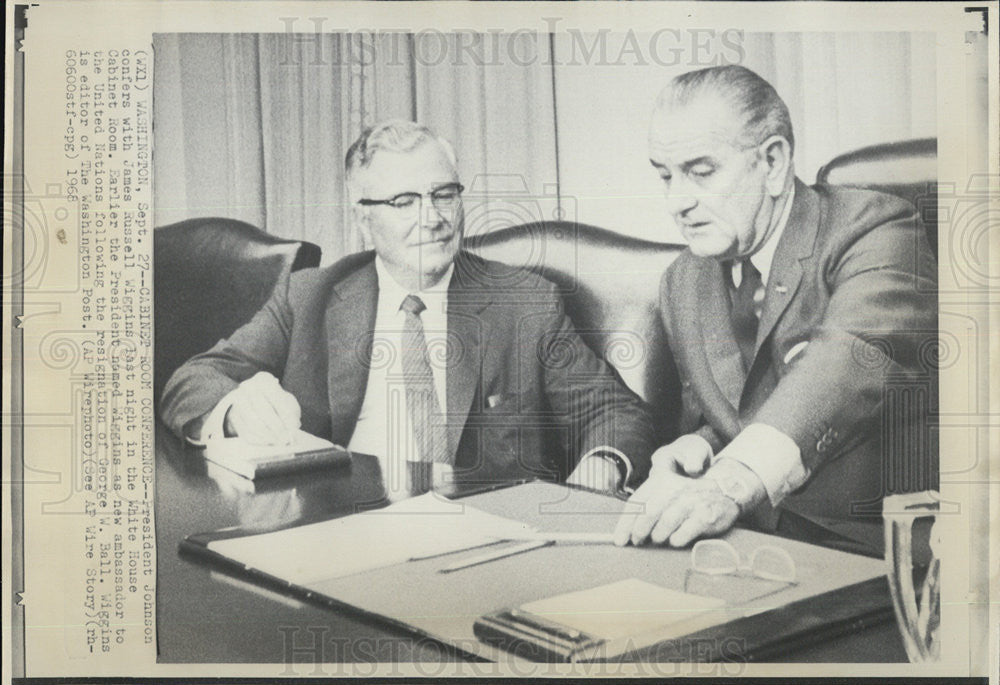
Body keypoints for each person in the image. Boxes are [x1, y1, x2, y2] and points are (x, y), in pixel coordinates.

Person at [161, 119, 655, 493]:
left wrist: (600, 469)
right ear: (363, 219)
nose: (433, 218)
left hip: (480, 539)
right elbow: (192, 380)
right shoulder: (309, 296)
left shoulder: (526, 301)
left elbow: (614, 411)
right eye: (404, 201)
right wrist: (234, 412)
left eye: (444, 194)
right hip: (338, 531)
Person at [614, 65, 937, 552]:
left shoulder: (876, 228)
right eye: (665, 176)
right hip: (741, 547)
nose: (676, 201)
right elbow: (742, 408)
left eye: (701, 173)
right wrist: (701, 446)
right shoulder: (683, 279)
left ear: (772, 163)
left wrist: (727, 483)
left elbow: (848, 362)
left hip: (874, 554)